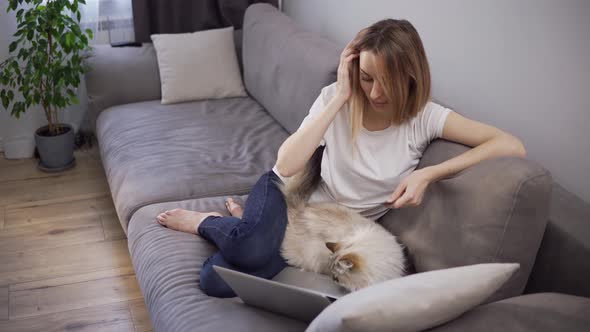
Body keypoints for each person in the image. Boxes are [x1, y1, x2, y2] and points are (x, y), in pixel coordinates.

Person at [156, 19, 526, 298]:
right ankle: (207, 222)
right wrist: (340, 98)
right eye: (366, 77)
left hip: (328, 232)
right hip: (287, 195)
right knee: (251, 248)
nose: (376, 92)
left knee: (214, 281)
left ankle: (244, 226)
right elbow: (285, 166)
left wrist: (429, 174)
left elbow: (509, 145)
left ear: (411, 77)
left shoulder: (425, 118)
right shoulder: (338, 97)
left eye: (387, 81)